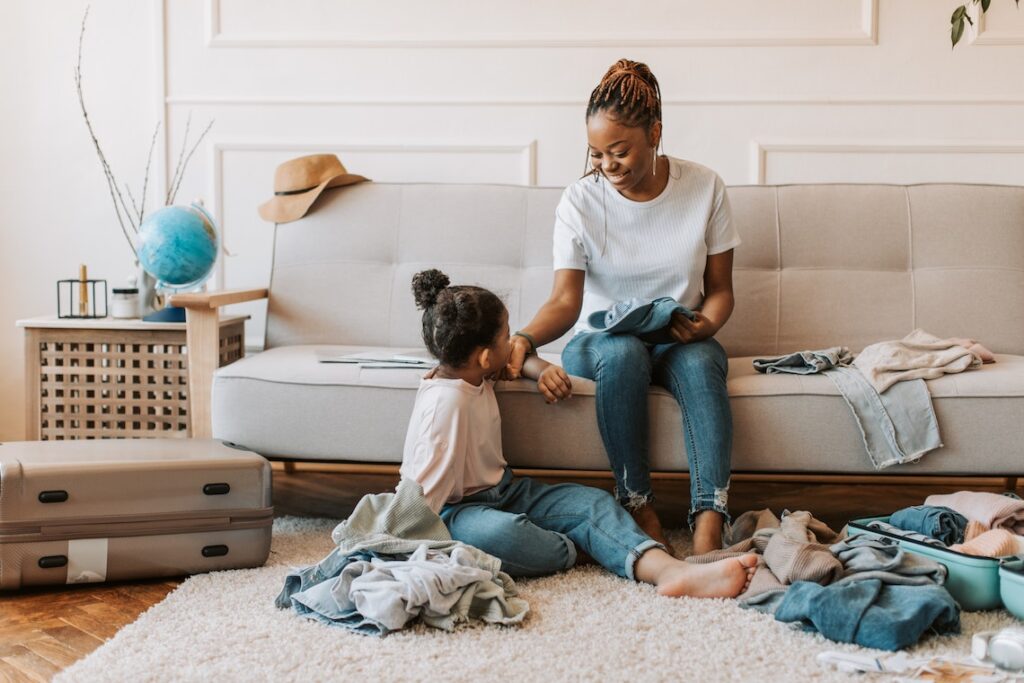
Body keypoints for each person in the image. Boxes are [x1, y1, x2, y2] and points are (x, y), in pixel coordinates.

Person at [505, 59, 741, 555]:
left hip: (678, 337)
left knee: (702, 363)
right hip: (601, 344)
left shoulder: (705, 187)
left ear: (655, 132)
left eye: (619, 151)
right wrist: (525, 338)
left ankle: (709, 522)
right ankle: (637, 504)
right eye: (595, 154)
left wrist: (705, 326)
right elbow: (566, 302)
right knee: (624, 352)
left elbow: (720, 290)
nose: (607, 166)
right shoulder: (579, 202)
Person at [400, 269, 755, 598]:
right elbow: (420, 499)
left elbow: (513, 359)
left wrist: (539, 369)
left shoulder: (471, 371)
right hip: (455, 512)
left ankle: (667, 571)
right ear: (483, 356)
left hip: (506, 491)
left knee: (595, 503)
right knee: (503, 535)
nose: (514, 341)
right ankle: (591, 548)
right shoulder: (444, 406)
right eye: (507, 335)